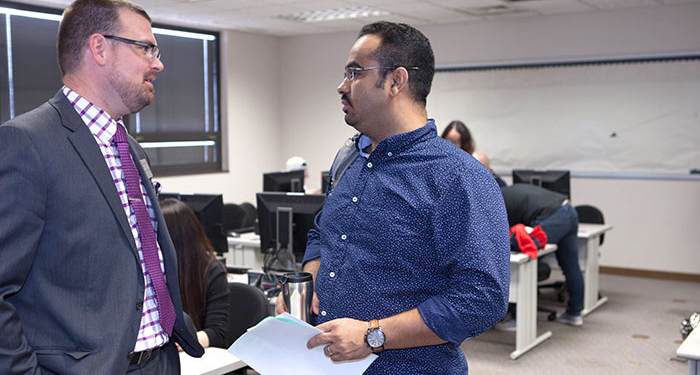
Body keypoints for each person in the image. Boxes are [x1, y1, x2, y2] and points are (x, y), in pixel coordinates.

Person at [276, 21, 510, 374]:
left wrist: (374, 335)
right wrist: (306, 286)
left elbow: (482, 299)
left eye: (355, 72)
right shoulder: (349, 157)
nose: (341, 86)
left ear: (395, 81)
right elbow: (323, 234)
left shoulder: (459, 177)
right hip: (325, 364)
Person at [0, 0, 203, 374]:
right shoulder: (26, 143)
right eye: (146, 48)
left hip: (159, 361)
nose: (157, 63)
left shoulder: (129, 147)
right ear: (99, 47)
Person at [500, 183, 584, 326]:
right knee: (571, 266)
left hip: (553, 216)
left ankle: (519, 320)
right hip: (568, 210)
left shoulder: (493, 201)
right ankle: (574, 313)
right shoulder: (503, 192)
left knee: (525, 262)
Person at [160, 198, 230, 349]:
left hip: (196, 357)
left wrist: (182, 343)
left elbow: (217, 333)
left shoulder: (211, 271)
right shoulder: (155, 271)